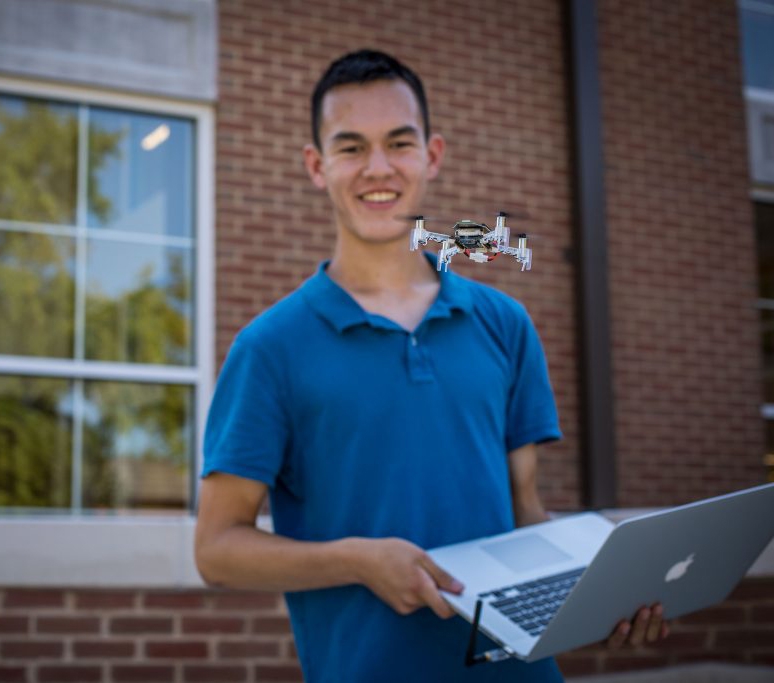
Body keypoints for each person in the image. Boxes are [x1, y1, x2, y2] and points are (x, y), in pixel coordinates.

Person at [195, 49, 667, 682]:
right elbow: (217, 549)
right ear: (317, 166)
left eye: (399, 142)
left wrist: (608, 591)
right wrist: (357, 560)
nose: (378, 168)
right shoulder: (270, 348)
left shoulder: (504, 323)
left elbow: (525, 516)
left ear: (433, 154)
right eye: (351, 147)